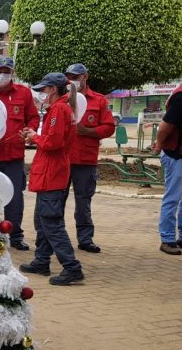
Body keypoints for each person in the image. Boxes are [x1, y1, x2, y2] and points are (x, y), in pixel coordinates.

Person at [20, 73, 84, 286]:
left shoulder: (59, 110)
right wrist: (34, 136)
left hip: (52, 172)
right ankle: (41, 260)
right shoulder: (62, 109)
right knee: (42, 220)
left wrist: (34, 137)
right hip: (51, 171)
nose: (42, 94)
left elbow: (53, 142)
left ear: (53, 90)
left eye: (44, 90)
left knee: (51, 222)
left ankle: (72, 267)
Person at [0, 57, 39, 250]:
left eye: (7, 71)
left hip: (13, 157)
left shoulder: (23, 94)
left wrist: (29, 131)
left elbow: (33, 118)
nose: (3, 75)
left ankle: (15, 235)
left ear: (12, 72)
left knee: (14, 198)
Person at [63, 63, 116, 253]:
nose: (73, 80)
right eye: (70, 77)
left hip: (85, 160)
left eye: (77, 76)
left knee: (83, 202)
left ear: (86, 77)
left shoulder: (99, 101)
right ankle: (53, 237)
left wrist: (89, 131)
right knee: (57, 201)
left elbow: (109, 127)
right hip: (63, 159)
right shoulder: (63, 99)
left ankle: (85, 239)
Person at [153, 55, 182, 255]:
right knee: (173, 198)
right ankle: (167, 238)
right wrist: (159, 145)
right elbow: (165, 126)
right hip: (178, 157)